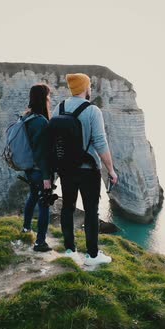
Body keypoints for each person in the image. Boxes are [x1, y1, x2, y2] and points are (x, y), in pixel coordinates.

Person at [52, 73, 119, 265]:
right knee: (91, 211)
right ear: (85, 88)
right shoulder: (92, 111)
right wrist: (111, 170)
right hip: (88, 170)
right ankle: (92, 255)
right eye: (89, 86)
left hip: (65, 169)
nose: (90, 89)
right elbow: (100, 142)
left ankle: (70, 251)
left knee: (67, 208)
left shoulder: (60, 108)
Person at [22, 83, 54, 252]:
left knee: (33, 196)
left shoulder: (27, 117)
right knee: (44, 204)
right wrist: (46, 176)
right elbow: (42, 153)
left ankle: (26, 228)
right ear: (43, 98)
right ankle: (40, 242)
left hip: (28, 168)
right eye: (48, 96)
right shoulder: (41, 122)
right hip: (39, 171)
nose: (49, 99)